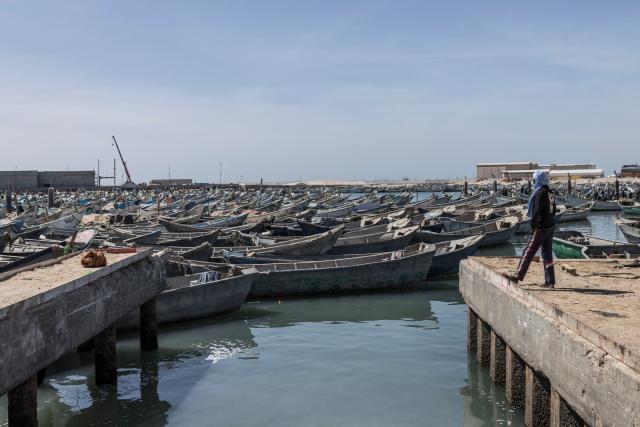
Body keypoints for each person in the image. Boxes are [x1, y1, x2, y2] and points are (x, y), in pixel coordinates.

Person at [506, 170, 556, 288]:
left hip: (541, 228)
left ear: (538, 180)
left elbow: (537, 212)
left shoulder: (539, 193)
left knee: (527, 252)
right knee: (547, 254)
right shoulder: (550, 192)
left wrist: (534, 228)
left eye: (534, 179)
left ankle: (517, 276)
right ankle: (550, 282)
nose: (533, 181)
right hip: (550, 227)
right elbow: (553, 211)